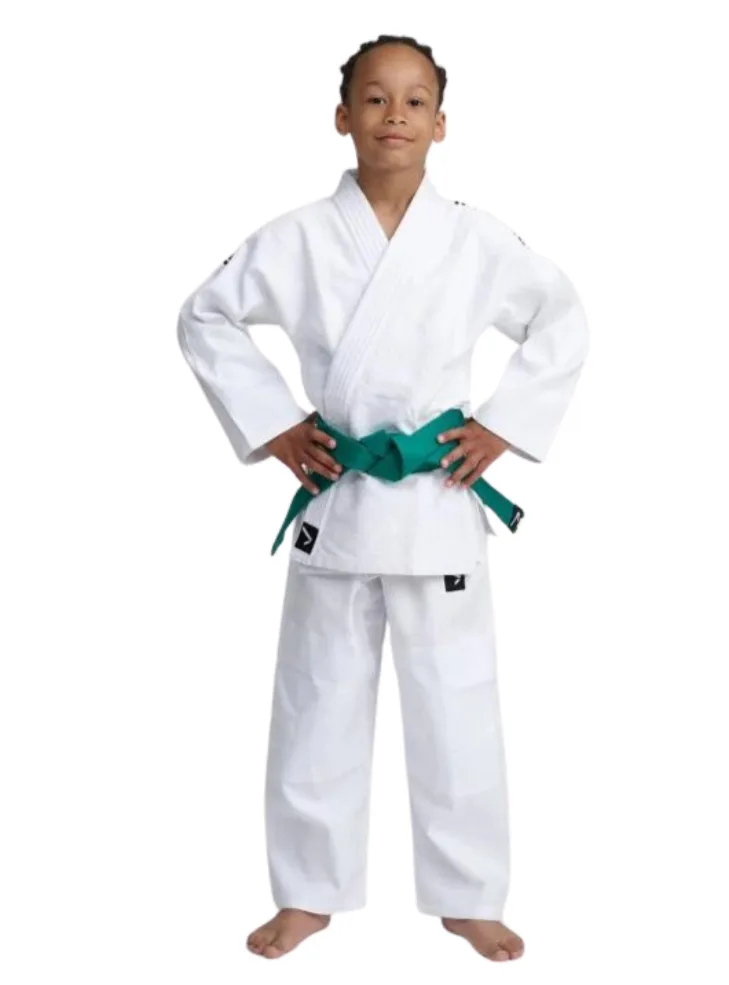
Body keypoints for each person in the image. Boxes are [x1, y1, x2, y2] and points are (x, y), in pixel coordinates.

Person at [176, 34, 590, 963]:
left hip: (438, 497)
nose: (393, 114)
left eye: (413, 100)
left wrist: (503, 425)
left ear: (440, 124)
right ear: (342, 117)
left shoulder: (475, 240)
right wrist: (276, 424)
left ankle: (468, 893)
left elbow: (561, 319)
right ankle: (307, 891)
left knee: (457, 703)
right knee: (316, 699)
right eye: (373, 98)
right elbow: (203, 314)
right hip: (339, 495)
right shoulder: (296, 238)